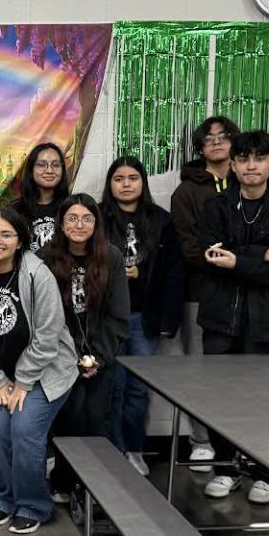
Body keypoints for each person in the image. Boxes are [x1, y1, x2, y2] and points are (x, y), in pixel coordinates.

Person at [0, 209, 77, 535]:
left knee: (23, 430)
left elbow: (48, 335)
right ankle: (6, 499)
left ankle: (33, 505)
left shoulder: (37, 273)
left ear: (20, 240)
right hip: (0, 374)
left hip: (46, 370)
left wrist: (22, 382)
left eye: (6, 234)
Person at [197, 130, 269, 505]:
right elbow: (212, 258)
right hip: (220, 319)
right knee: (219, 399)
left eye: (259, 158)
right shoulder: (216, 206)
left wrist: (239, 260)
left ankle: (264, 473)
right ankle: (226, 469)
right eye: (243, 159)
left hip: (265, 321)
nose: (251, 166)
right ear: (233, 165)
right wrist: (265, 254)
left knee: (264, 401)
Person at [101, 156, 185, 475]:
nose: (126, 184)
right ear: (110, 184)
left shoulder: (160, 220)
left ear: (142, 183)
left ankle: (134, 450)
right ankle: (114, 450)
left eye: (132, 178)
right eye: (119, 178)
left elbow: (174, 272)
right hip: (107, 318)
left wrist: (169, 320)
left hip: (143, 317)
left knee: (138, 388)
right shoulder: (97, 216)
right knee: (113, 386)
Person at [47, 195, 132, 500]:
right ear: (61, 223)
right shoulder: (46, 258)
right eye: (72, 218)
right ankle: (63, 480)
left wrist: (98, 357)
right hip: (59, 357)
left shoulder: (112, 257)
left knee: (97, 419)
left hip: (100, 356)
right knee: (67, 417)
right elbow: (42, 316)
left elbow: (118, 315)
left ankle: (96, 487)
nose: (79, 225)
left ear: (96, 224)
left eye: (87, 219)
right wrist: (66, 357)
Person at [169, 115, 241, 473]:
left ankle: (239, 444)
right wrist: (237, 261)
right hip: (199, 293)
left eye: (223, 136)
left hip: (244, 293)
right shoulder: (186, 191)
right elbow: (189, 247)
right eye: (209, 138)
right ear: (199, 146)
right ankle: (201, 441)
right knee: (199, 369)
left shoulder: (248, 184)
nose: (216, 142)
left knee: (240, 373)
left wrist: (243, 263)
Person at [9, 143, 69, 253]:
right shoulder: (14, 211)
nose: (49, 170)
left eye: (56, 165)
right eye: (41, 165)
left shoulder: (72, 207)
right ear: (31, 170)